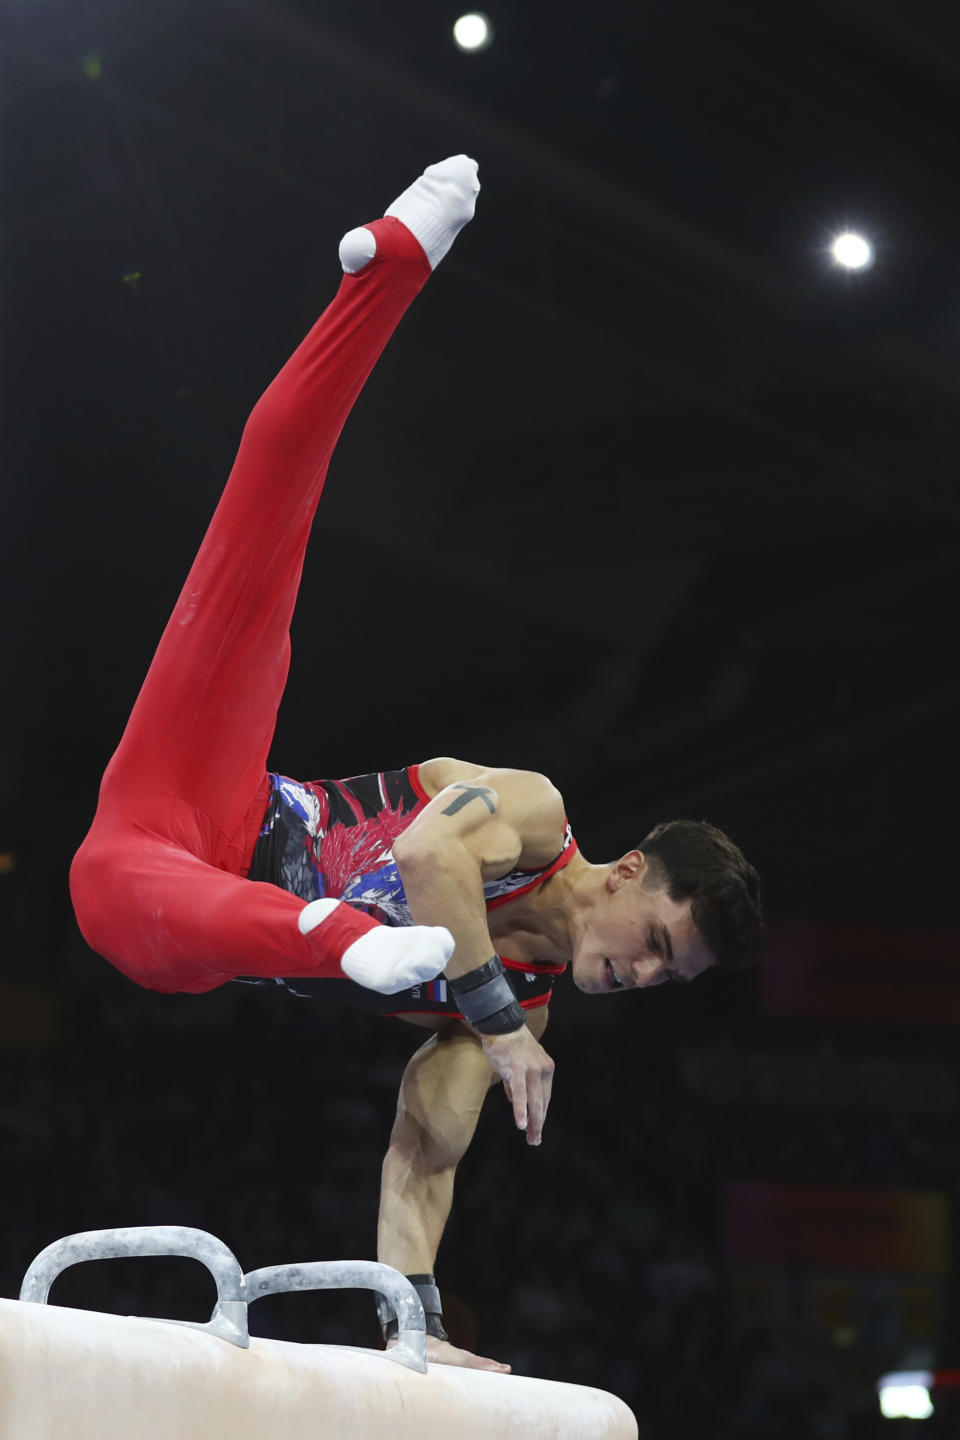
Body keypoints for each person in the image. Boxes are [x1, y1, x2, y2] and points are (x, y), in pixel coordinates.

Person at [70, 156, 762, 1372]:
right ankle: (390, 271)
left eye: (671, 979)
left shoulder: (517, 1018)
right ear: (632, 869)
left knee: (121, 916)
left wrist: (415, 1324)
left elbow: (422, 1156)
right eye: (658, 941)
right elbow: (434, 850)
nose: (646, 975)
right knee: (265, 507)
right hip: (213, 797)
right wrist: (496, 1024)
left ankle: (329, 936)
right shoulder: (538, 821)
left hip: (187, 900)